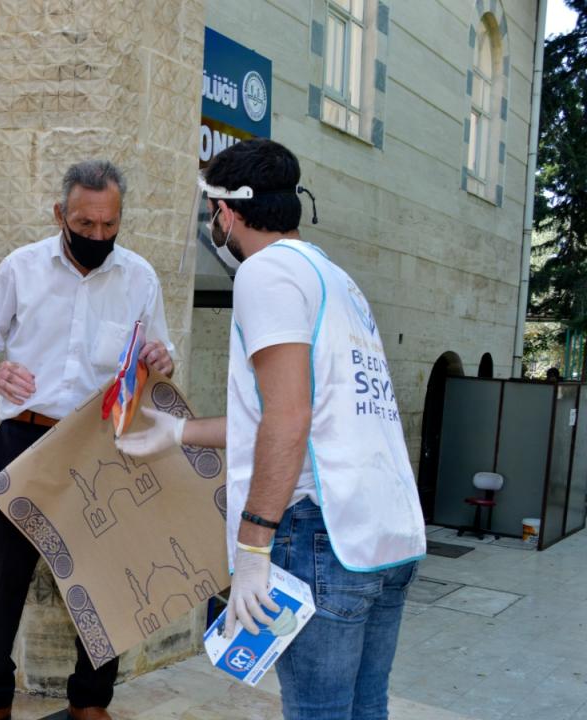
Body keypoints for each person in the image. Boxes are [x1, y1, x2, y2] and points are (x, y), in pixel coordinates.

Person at [117, 139, 426, 720]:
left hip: (319, 535)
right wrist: (178, 433)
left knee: (320, 713)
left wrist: (254, 546)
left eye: (212, 216)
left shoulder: (266, 274)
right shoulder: (334, 279)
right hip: (383, 534)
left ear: (226, 213)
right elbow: (294, 413)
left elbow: (288, 417)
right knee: (364, 710)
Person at [0, 160, 175, 720]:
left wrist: (160, 362)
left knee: (104, 577)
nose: (98, 236)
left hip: (101, 447)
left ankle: (91, 701)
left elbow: (157, 365)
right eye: (85, 224)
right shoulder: (21, 268)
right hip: (23, 442)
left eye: (109, 226)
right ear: (61, 214)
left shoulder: (140, 278)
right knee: (2, 577)